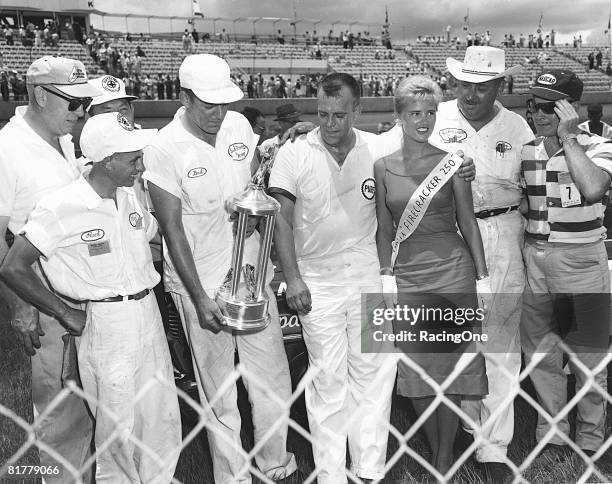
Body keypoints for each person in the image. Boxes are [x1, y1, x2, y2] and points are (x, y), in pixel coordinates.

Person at [0, 112, 181, 483]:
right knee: (117, 428)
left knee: (162, 418)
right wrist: (64, 313)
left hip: (148, 313)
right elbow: (13, 267)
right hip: (107, 323)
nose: (141, 165)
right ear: (107, 160)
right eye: (133, 159)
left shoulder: (129, 196)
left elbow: (150, 235)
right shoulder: (61, 206)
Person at [142, 54, 297, 484]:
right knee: (219, 391)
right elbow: (172, 231)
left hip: (251, 279)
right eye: (207, 104)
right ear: (184, 96)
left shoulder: (238, 127)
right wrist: (198, 297)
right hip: (202, 285)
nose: (217, 113)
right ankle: (232, 477)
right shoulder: (162, 147)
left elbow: (254, 189)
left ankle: (276, 466)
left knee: (271, 380)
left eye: (223, 103)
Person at [268, 73, 402, 484]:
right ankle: (330, 474)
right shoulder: (294, 151)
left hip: (365, 276)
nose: (330, 124)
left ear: (357, 111)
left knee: (374, 376)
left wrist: (461, 162)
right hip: (317, 281)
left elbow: (427, 141)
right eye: (323, 115)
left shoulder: (377, 148)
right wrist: (293, 279)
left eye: (339, 115)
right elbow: (280, 220)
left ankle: (369, 470)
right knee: (327, 380)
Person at [428, 46, 534, 483]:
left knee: (501, 342)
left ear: (499, 86)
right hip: (447, 236)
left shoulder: (517, 126)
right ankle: (464, 427)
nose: (471, 94)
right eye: (464, 84)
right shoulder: (434, 115)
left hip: (504, 233)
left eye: (482, 85)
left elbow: (537, 184)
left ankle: (494, 447)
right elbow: (380, 149)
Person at [375, 75, 489, 474]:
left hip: (453, 272)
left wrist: (483, 277)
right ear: (399, 116)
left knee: (454, 367)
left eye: (430, 113)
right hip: (408, 276)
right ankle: (436, 443)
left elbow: (468, 222)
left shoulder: (453, 162)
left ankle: (444, 456)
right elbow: (384, 229)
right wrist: (386, 275)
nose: (423, 121)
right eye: (414, 113)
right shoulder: (382, 166)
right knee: (416, 369)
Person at [0, 55, 100, 481]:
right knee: (60, 411)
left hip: (82, 288)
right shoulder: (9, 148)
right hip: (42, 296)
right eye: (73, 103)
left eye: (85, 105)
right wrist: (19, 306)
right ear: (39, 95)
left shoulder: (61, 138)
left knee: (88, 404)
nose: (82, 113)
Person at [521, 69, 612, 460]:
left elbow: (593, 188)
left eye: (547, 107)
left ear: (569, 108)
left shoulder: (600, 146)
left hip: (581, 259)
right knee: (541, 356)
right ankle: (553, 436)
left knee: (586, 358)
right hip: (535, 259)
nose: (538, 115)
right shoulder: (528, 150)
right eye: (533, 106)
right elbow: (527, 204)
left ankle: (591, 439)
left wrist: (569, 139)